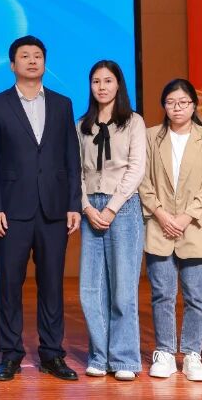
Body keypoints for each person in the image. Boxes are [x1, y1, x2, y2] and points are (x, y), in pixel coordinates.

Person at [0, 35, 80, 382]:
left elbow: (71, 158)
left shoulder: (63, 104)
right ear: (12, 64)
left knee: (52, 285)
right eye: (25, 56)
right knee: (9, 285)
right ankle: (10, 354)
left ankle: (52, 354)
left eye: (38, 55)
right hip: (11, 211)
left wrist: (73, 204)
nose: (32, 60)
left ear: (45, 63)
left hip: (54, 210)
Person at [138, 78, 202, 382]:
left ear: (194, 105)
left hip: (196, 227)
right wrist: (161, 214)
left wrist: (186, 217)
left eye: (183, 102)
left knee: (195, 296)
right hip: (158, 226)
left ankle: (191, 355)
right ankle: (164, 352)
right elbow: (142, 180)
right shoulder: (150, 137)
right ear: (164, 105)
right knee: (162, 294)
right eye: (171, 102)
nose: (177, 107)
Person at [76, 60, 146, 381]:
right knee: (90, 288)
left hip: (124, 208)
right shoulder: (82, 125)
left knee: (122, 290)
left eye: (107, 80)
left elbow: (136, 168)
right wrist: (86, 207)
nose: (101, 87)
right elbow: (76, 171)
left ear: (119, 84)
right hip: (91, 206)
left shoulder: (133, 122)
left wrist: (112, 207)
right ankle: (99, 356)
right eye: (96, 81)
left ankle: (124, 359)